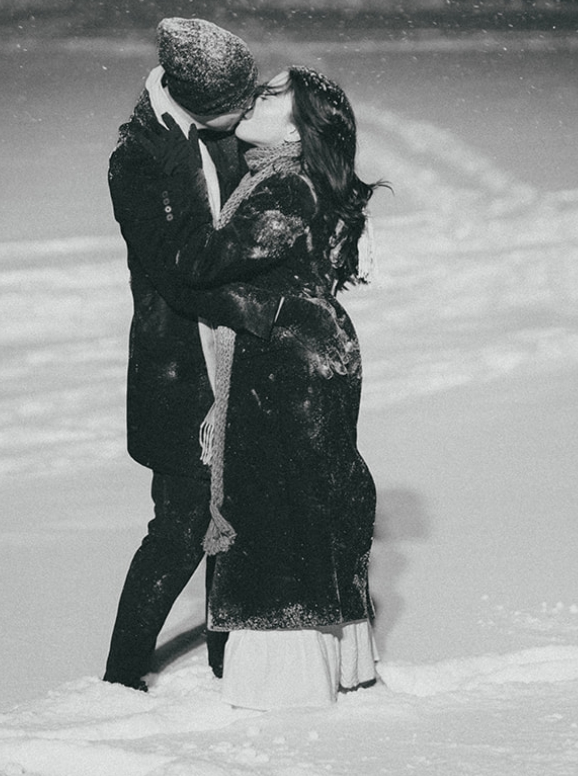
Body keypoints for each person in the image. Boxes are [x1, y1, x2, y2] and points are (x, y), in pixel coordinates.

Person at [155, 65, 382, 709]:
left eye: (276, 92)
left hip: (290, 365)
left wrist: (166, 243)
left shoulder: (283, 187)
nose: (259, 95)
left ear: (299, 123)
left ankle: (286, 686)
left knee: (276, 511)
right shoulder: (275, 177)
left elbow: (201, 263)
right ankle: (337, 658)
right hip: (307, 355)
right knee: (311, 501)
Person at [103, 17, 287, 692]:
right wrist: (263, 299)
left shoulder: (227, 135)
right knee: (181, 526)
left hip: (242, 360)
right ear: (194, 95)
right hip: (181, 368)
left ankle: (224, 660)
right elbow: (179, 270)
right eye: (238, 99)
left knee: (236, 517)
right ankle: (120, 679)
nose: (250, 108)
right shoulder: (142, 161)